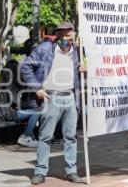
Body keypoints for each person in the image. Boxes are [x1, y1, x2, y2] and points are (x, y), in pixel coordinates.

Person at [20, 22, 84, 184]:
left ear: (74, 36)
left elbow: (89, 71)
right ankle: (40, 171)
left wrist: (85, 69)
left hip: (70, 97)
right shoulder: (45, 49)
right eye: (61, 34)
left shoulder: (78, 52)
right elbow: (25, 66)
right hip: (51, 97)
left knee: (70, 137)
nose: (64, 38)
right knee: (45, 136)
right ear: (57, 35)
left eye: (68, 35)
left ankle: (71, 171)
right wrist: (37, 88)